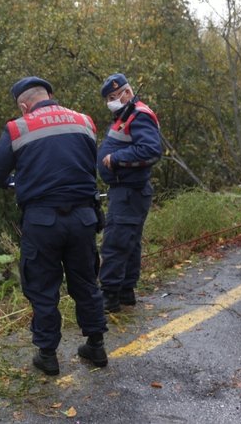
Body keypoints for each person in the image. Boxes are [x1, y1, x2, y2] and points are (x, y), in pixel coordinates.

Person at [0, 76, 109, 375]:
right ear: (51, 95)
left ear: (24, 105)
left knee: (43, 288)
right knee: (86, 283)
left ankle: (48, 355)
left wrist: (17, 181)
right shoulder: (84, 121)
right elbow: (87, 164)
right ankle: (96, 346)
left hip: (42, 221)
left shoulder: (18, 127)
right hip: (82, 218)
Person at [97, 73, 162, 313]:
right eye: (109, 98)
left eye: (116, 95)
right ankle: (125, 292)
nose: (113, 100)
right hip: (127, 192)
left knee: (115, 242)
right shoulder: (124, 116)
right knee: (129, 243)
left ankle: (109, 297)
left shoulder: (139, 115)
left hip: (129, 192)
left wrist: (116, 158)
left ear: (128, 91)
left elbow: (151, 151)